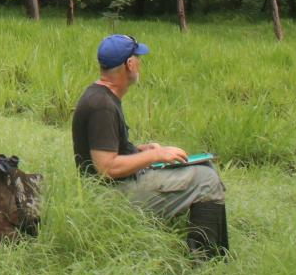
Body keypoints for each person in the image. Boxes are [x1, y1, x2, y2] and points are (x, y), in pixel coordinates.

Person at [71, 34, 229, 259]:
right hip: (111, 197)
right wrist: (157, 155)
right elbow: (106, 167)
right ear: (130, 64)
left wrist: (140, 151)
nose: (139, 64)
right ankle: (204, 262)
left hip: (115, 188)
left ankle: (216, 255)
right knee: (206, 180)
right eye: (138, 58)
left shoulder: (101, 95)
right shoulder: (102, 106)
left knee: (208, 169)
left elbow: (110, 151)